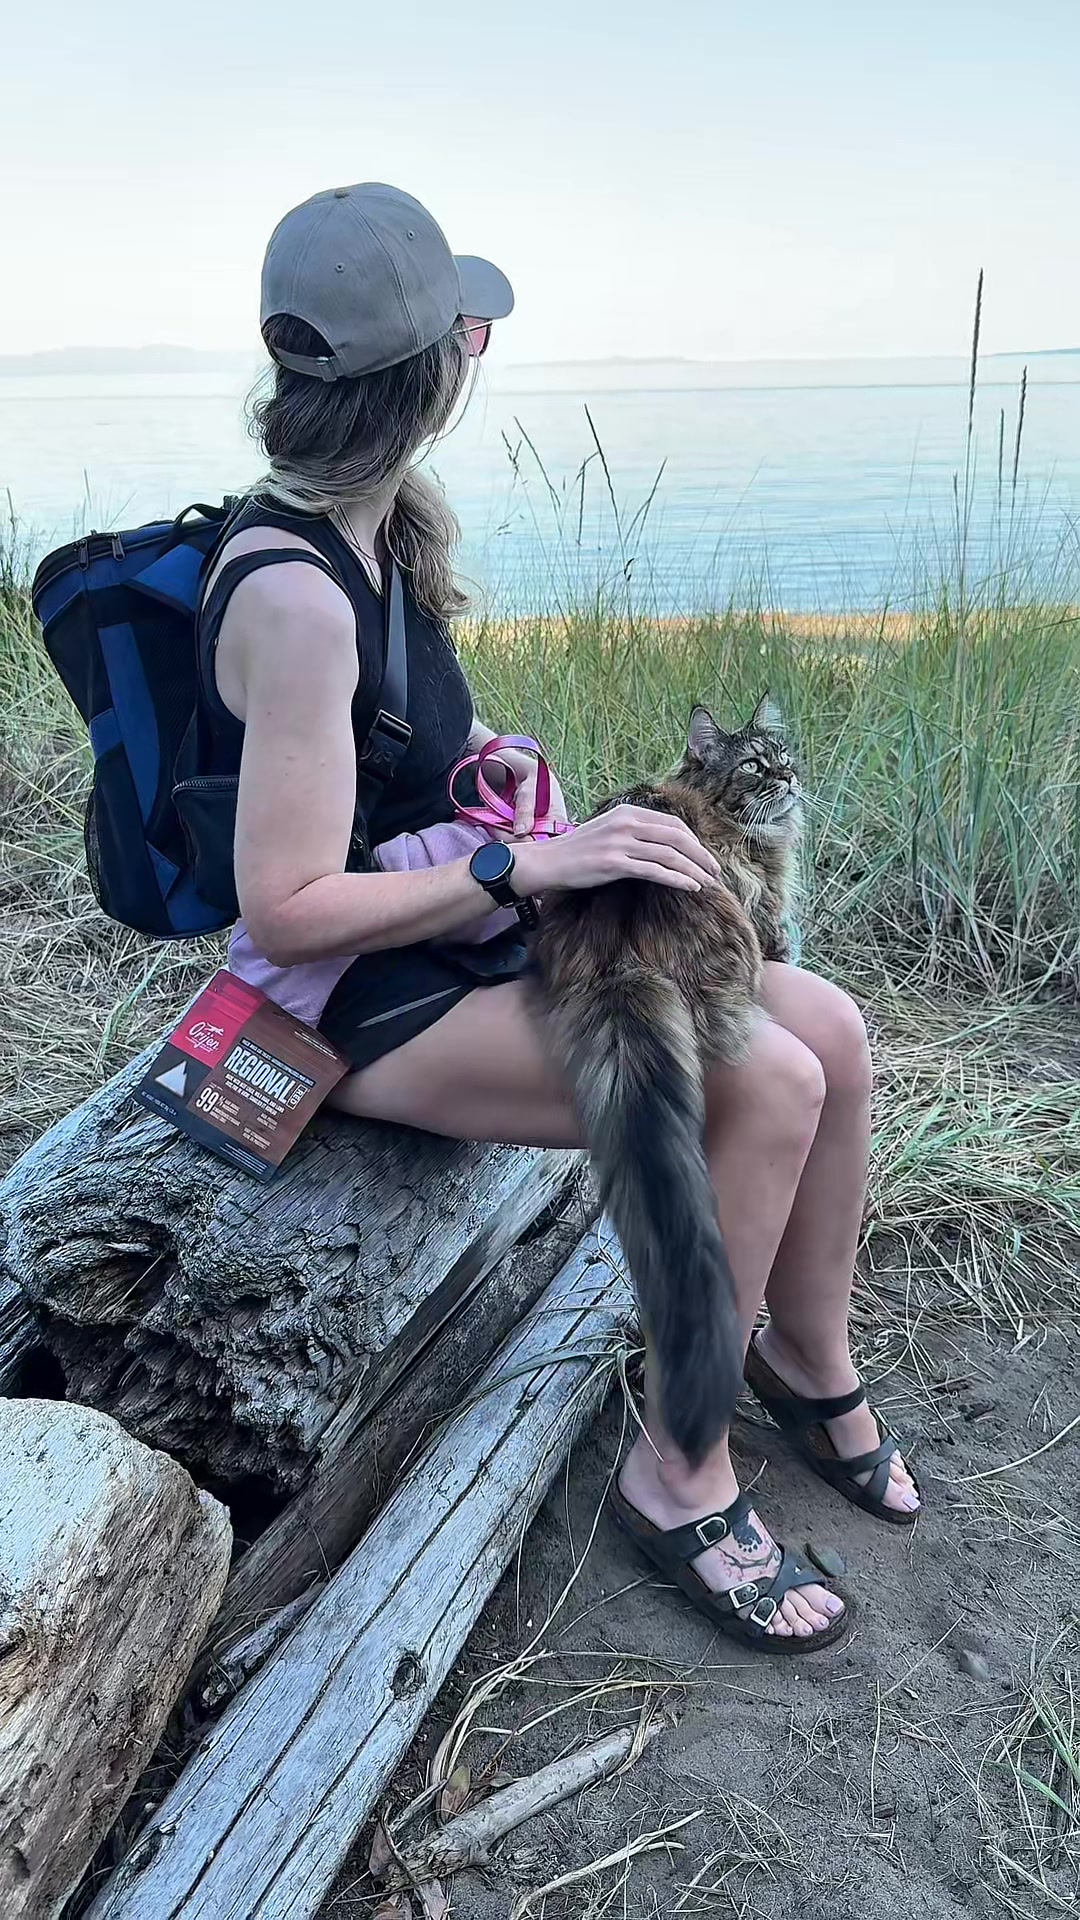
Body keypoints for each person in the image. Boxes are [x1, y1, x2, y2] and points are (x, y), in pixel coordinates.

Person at [200, 182, 919, 1651]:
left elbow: (393, 770)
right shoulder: (297, 597)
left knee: (831, 1028)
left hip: (446, 929)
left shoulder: (382, 531)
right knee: (762, 1080)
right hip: (349, 999)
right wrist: (519, 870)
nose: (480, 347)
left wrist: (568, 834)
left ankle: (806, 1355)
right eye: (468, 329)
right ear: (433, 369)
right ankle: (679, 1469)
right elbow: (281, 900)